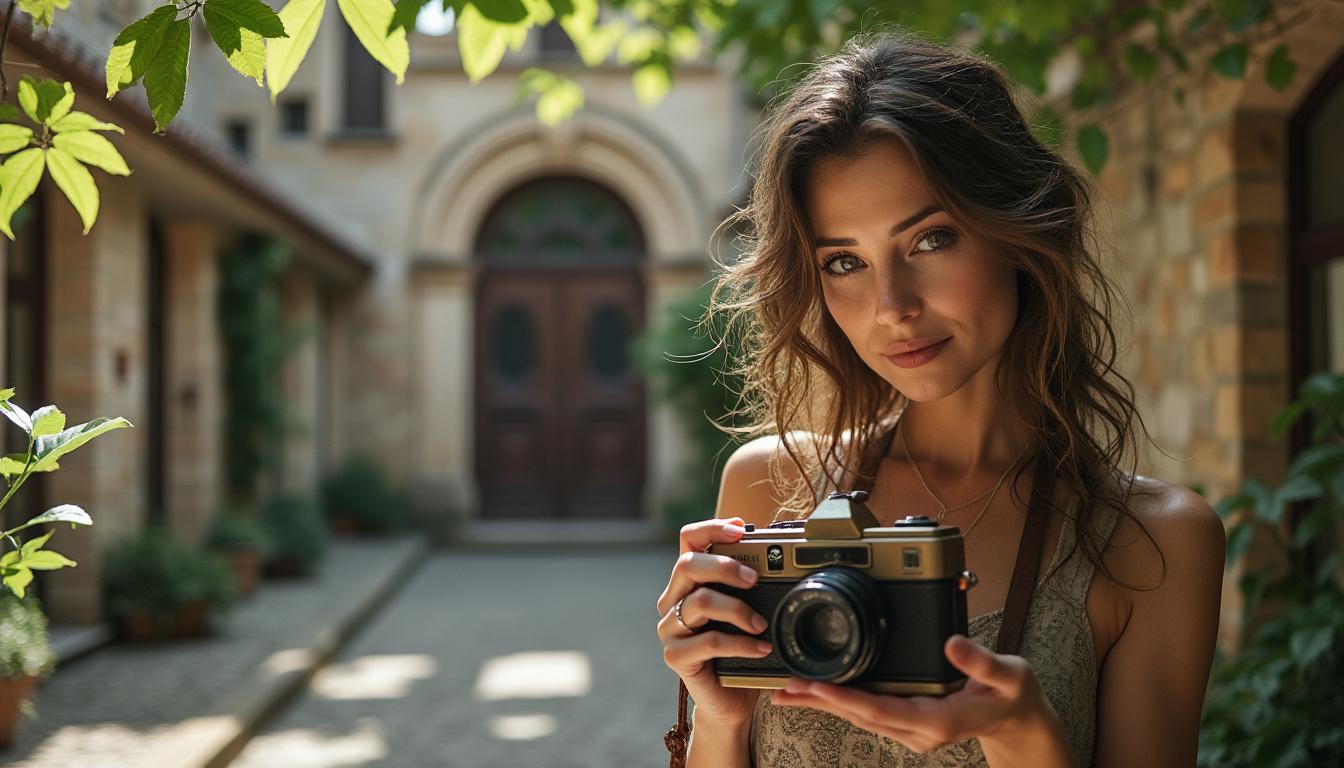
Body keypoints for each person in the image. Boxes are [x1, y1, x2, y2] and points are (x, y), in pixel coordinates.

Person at [654, 28, 1226, 768]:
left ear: (1018, 229)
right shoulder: (769, 488)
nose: (890, 305)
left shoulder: (1153, 545)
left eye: (930, 240)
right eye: (845, 261)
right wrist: (719, 718)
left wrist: (1023, 733)